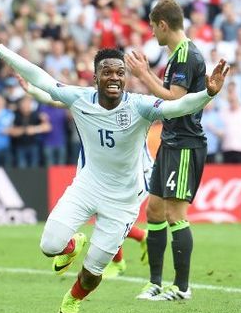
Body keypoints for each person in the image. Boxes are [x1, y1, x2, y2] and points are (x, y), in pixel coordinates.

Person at [0, 21, 229, 313]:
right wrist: (0, 50)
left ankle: (73, 299)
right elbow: (41, 78)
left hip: (123, 200)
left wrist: (207, 94)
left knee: (93, 271)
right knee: (49, 246)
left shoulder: (140, 106)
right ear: (95, 77)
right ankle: (71, 245)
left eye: (120, 72)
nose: (114, 78)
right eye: (107, 72)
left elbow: (176, 108)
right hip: (87, 186)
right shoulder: (79, 98)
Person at [16, 74, 149, 279]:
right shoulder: (91, 104)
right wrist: (34, 91)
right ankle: (133, 245)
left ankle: (120, 259)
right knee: (103, 217)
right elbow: (61, 101)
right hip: (99, 174)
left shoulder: (135, 107)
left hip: (134, 176)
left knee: (108, 219)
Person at [125, 0, 208, 301]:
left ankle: (182, 288)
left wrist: (143, 75)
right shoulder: (176, 55)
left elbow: (174, 99)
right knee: (154, 210)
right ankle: (156, 282)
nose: (152, 34)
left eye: (152, 28)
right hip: (170, 141)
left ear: (163, 24)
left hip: (185, 143)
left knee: (175, 213)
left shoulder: (186, 55)